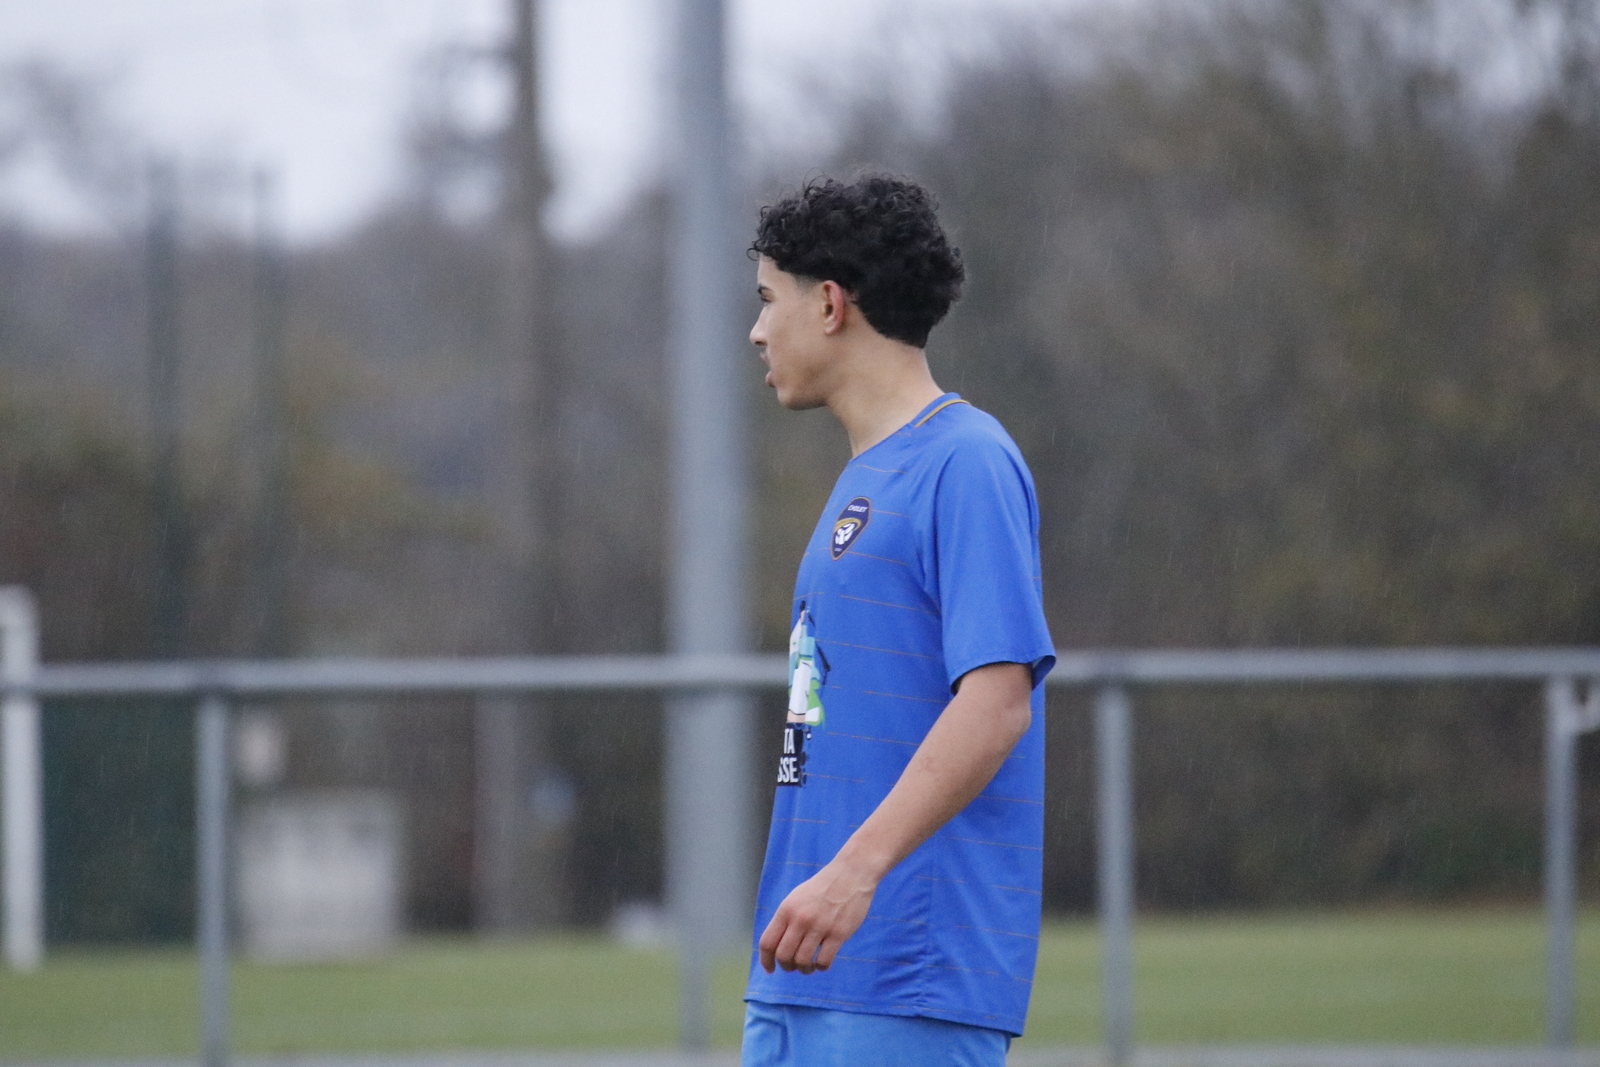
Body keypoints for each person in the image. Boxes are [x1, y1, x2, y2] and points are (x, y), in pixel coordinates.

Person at [742, 173, 1056, 1067]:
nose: (757, 330)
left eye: (768, 300)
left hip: (905, 974)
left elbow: (996, 703)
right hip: (804, 969)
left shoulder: (967, 461)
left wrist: (854, 872)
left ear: (829, 304)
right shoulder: (868, 475)